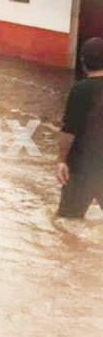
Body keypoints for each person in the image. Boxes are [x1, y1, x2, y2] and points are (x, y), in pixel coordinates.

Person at [56, 37, 103, 218]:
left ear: (82, 62)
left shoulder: (80, 90)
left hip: (81, 168)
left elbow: (69, 131)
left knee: (65, 224)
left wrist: (61, 160)